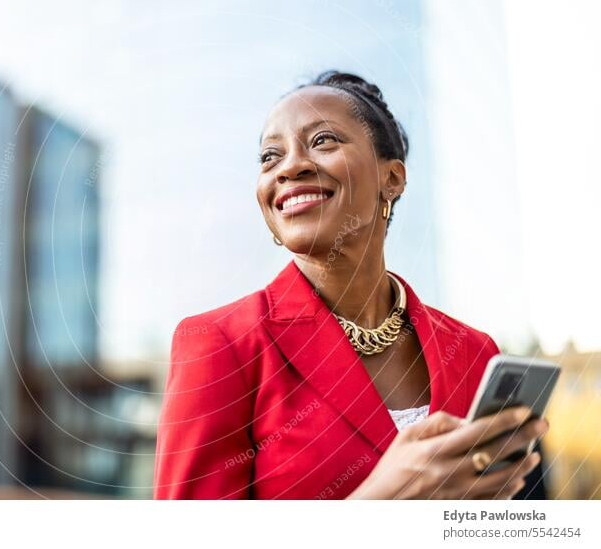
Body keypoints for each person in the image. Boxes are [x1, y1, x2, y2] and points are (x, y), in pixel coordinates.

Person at [153, 71, 549, 499]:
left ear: (392, 179)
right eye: (270, 156)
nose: (290, 166)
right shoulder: (220, 344)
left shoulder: (476, 353)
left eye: (322, 141)